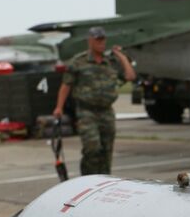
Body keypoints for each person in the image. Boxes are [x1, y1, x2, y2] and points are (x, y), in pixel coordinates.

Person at [52, 27, 135, 176]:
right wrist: (59, 107)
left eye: (103, 39)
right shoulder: (79, 61)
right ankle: (87, 178)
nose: (101, 43)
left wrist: (121, 56)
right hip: (87, 111)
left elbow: (130, 76)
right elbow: (66, 85)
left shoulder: (110, 62)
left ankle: (104, 179)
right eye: (98, 40)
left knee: (106, 150)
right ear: (90, 41)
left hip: (106, 111)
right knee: (92, 148)